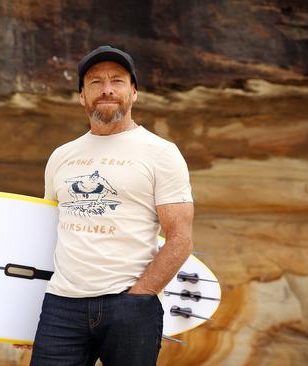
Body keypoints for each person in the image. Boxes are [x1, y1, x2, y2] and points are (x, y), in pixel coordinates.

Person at [29, 45, 194, 365]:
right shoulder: (61, 156)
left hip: (130, 302)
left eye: (117, 81)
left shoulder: (161, 153)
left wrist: (140, 297)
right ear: (81, 96)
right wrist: (22, 321)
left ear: (133, 92)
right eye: (95, 82)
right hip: (62, 304)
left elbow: (181, 239)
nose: (107, 89)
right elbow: (46, 235)